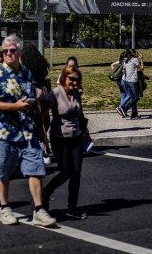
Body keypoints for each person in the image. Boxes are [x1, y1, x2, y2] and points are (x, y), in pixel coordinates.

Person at [0, 35, 57, 227]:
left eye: (13, 50)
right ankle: (4, 208)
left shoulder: (26, 73)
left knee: (35, 168)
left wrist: (40, 128)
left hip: (28, 131)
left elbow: (31, 103)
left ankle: (39, 210)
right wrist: (14, 106)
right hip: (3, 132)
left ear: (20, 53)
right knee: (3, 170)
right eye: (6, 50)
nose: (9, 53)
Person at [41, 65, 87, 219]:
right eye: (71, 79)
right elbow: (42, 115)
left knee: (76, 173)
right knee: (65, 172)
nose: (74, 82)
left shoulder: (76, 94)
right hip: (59, 138)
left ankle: (72, 207)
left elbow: (80, 115)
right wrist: (42, 136)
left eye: (76, 80)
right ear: (63, 78)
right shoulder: (54, 94)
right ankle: (46, 193)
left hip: (76, 137)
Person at [116, 49, 144, 119]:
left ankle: (134, 114)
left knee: (133, 98)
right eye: (136, 52)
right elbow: (141, 69)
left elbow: (124, 70)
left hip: (127, 81)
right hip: (133, 81)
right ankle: (124, 109)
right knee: (136, 97)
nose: (137, 53)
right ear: (133, 53)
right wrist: (141, 60)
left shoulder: (126, 60)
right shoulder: (135, 60)